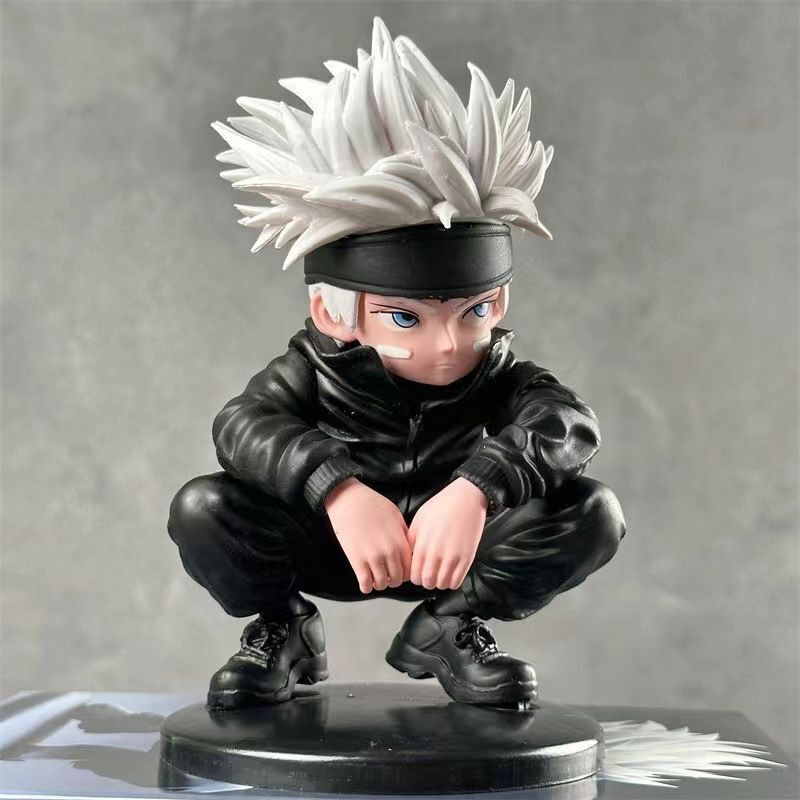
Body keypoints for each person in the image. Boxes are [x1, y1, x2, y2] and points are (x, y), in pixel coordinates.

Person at [168, 18, 625, 710]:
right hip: (335, 545)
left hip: (457, 556)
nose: (448, 343)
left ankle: (450, 626)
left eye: (473, 311)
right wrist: (337, 490)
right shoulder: (313, 366)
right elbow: (242, 425)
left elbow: (566, 424)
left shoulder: (495, 373)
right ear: (335, 314)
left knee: (592, 511)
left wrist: (476, 490)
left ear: (499, 299)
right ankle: (284, 629)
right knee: (204, 507)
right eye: (407, 318)